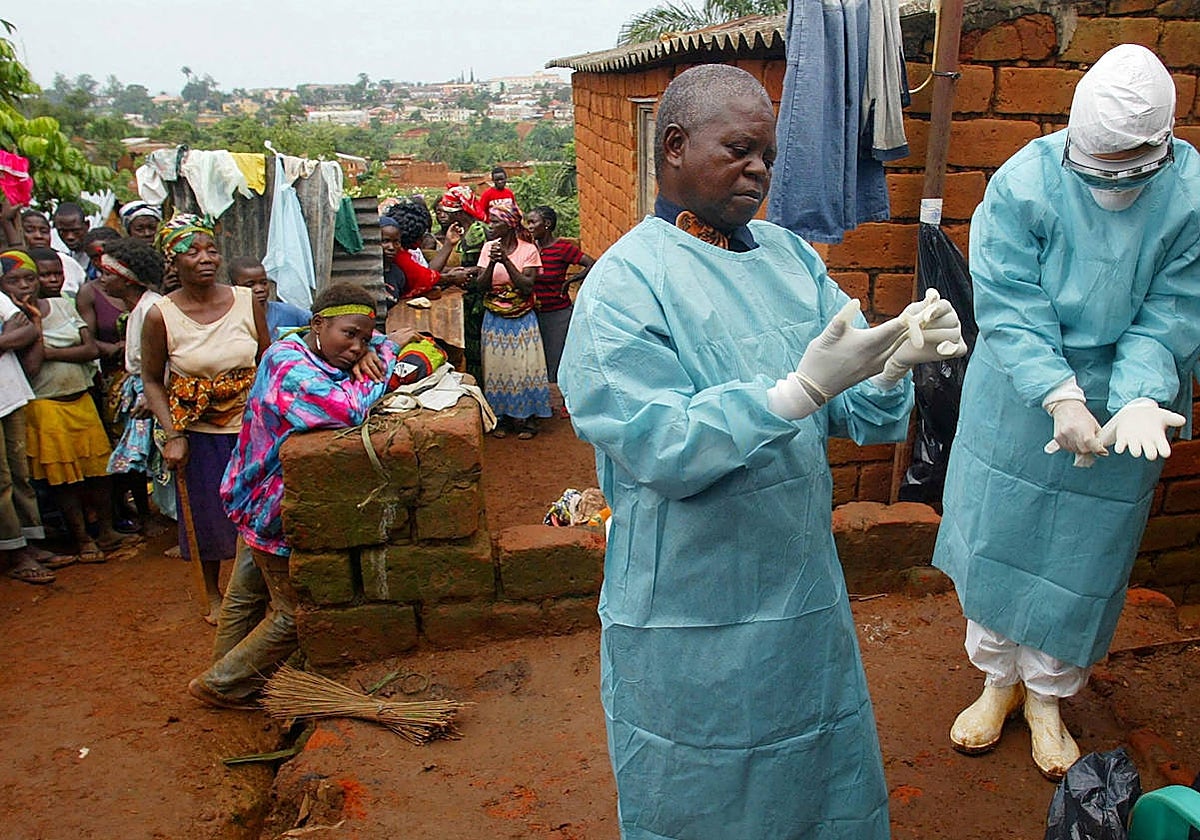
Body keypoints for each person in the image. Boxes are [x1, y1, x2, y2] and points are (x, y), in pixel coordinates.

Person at [558, 64, 965, 839]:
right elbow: (663, 444)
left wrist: (889, 366)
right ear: (674, 146)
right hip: (689, 601)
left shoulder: (790, 259)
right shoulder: (625, 286)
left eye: (769, 157)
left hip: (797, 585)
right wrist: (793, 394)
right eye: (739, 149)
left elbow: (857, 409)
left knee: (812, 765)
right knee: (700, 780)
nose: (759, 171)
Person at [932, 44, 1200, 782]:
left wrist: (1141, 393)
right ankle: (997, 682)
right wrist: (1057, 392)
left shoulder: (1190, 197)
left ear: (1162, 144)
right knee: (1000, 535)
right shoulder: (1023, 184)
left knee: (1084, 553)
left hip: (1124, 400)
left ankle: (1047, 696)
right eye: (1099, 164)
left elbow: (1174, 308)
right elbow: (1010, 303)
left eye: (1129, 166)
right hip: (1020, 396)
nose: (1112, 180)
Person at [187, 283, 403, 709]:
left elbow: (371, 339)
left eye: (364, 339)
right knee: (292, 611)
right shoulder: (286, 362)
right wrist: (385, 358)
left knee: (246, 596)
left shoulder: (314, 348)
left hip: (254, 495)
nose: (357, 348)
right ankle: (222, 684)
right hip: (269, 503)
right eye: (349, 335)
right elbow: (345, 409)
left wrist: (375, 346)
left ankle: (227, 674)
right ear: (317, 324)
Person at [141, 214, 269, 624]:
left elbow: (269, 361)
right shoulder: (161, 315)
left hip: (252, 427)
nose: (205, 259)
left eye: (211, 250)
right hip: (199, 430)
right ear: (172, 261)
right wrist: (173, 434)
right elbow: (152, 379)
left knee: (263, 511)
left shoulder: (246, 301)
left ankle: (266, 589)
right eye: (191, 252)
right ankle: (214, 594)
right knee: (207, 514)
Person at [2, 248, 133, 565]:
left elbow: (89, 349)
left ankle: (106, 531)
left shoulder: (62, 305)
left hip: (79, 397)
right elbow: (32, 366)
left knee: (99, 469)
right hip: (46, 406)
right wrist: (34, 323)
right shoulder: (13, 317)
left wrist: (47, 348)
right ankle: (82, 539)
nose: (25, 286)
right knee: (63, 478)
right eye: (15, 280)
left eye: (29, 278)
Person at [0, 250, 73, 583]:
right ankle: (15, 551)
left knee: (20, 474)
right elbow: (16, 334)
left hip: (12, 395)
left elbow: (28, 332)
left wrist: (10, 337)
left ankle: (30, 541)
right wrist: (7, 339)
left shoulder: (3, 301)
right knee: (2, 480)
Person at [100, 238, 173, 533]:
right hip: (140, 386)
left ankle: (165, 520)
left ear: (126, 279)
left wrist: (152, 396)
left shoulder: (150, 307)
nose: (102, 280)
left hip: (150, 389)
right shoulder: (138, 308)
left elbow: (166, 357)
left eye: (107, 274)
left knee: (152, 455)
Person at [475, 204, 549, 440]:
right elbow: (481, 285)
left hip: (523, 318)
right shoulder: (488, 248)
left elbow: (527, 286)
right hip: (495, 317)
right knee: (498, 368)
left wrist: (506, 261)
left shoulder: (529, 250)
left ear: (509, 225)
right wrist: (492, 262)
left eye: (495, 222)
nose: (490, 226)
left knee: (526, 367)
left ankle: (529, 418)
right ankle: (502, 417)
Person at [526, 205, 594, 419]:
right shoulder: (530, 250)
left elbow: (591, 264)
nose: (529, 227)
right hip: (532, 313)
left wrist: (570, 282)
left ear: (547, 224)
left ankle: (568, 403)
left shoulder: (562, 248)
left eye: (533, 222)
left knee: (561, 361)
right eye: (527, 223)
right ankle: (538, 404)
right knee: (537, 361)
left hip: (557, 314)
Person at [439, 186, 489, 381]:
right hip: (469, 296)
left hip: (479, 298)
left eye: (448, 212)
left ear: (458, 213)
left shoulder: (477, 232)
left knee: (477, 346)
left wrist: (468, 272)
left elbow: (486, 264)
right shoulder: (465, 231)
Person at [381, 200, 473, 303]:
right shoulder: (399, 256)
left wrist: (449, 243)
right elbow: (424, 277)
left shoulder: (405, 252)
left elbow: (428, 272)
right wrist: (451, 278)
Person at [227, 256, 310, 341]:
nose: (260, 289)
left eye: (264, 283)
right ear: (234, 286)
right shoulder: (228, 318)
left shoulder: (287, 313)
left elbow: (315, 321)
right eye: (250, 285)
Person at [21, 210, 85, 297]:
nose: (39, 236)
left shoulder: (67, 262)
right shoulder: (12, 263)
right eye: (30, 231)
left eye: (44, 231)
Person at [51, 202, 90, 273]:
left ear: (87, 225)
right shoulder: (67, 258)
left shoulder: (101, 257)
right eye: (63, 231)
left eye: (76, 231)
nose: (70, 237)